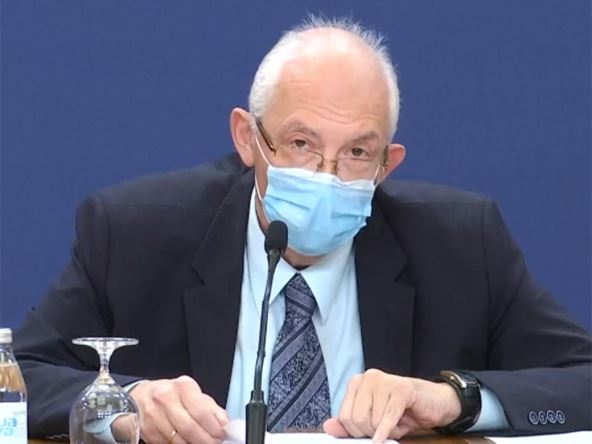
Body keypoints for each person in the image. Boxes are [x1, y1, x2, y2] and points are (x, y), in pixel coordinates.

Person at [14, 17, 591, 444]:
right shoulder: (135, 233)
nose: (325, 176)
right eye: (300, 144)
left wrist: (451, 399)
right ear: (247, 138)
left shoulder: (461, 244)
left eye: (356, 153)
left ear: (387, 165)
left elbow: (582, 380)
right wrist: (127, 402)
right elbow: (19, 378)